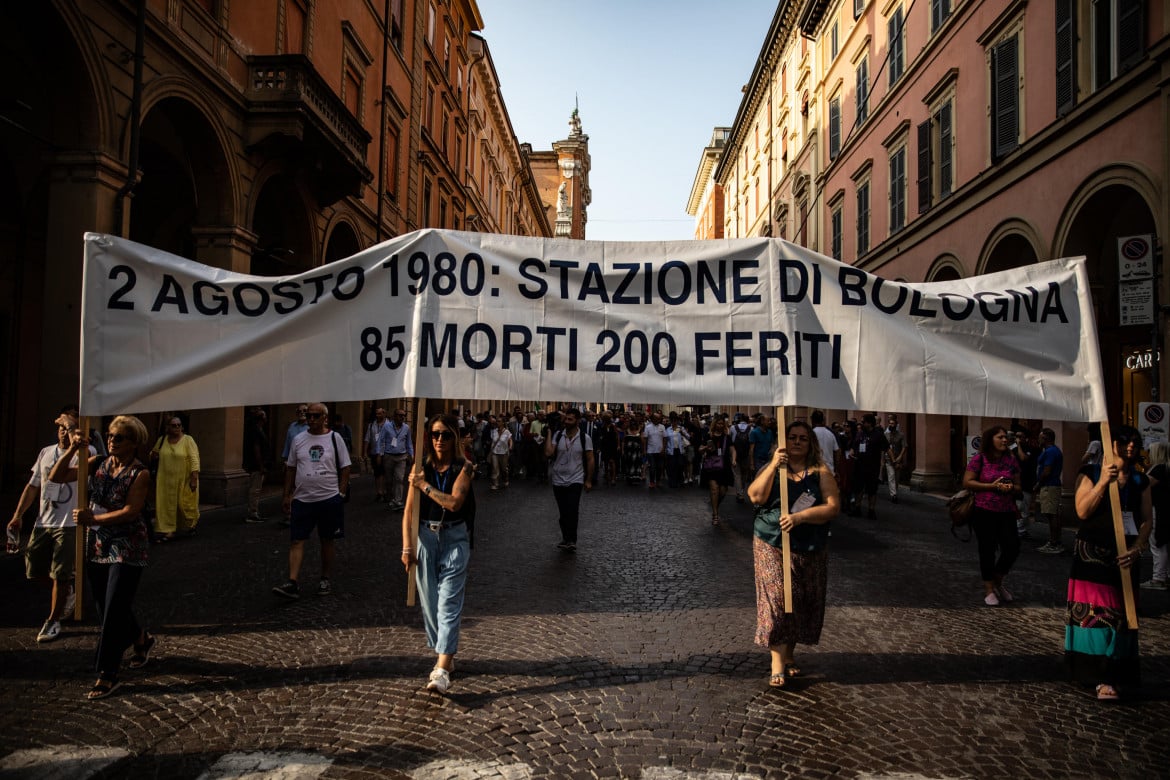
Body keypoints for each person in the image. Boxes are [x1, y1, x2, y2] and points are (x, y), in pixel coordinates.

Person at [64, 415, 154, 700]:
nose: (112, 440)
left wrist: (95, 518)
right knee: (108, 605)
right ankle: (141, 638)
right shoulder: (98, 463)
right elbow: (56, 476)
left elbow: (131, 511)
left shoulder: (139, 473)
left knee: (114, 607)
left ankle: (108, 673)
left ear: (134, 443)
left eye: (119, 437)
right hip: (99, 543)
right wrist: (71, 448)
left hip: (128, 546)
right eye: (110, 435)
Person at [747, 420, 840, 689]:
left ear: (811, 443)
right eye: (792, 437)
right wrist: (775, 464)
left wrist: (801, 517)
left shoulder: (820, 471)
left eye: (803, 438)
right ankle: (777, 662)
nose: (797, 442)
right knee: (777, 598)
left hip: (809, 545)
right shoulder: (774, 468)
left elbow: (833, 507)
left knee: (800, 598)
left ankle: (789, 654)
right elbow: (755, 496)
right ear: (783, 442)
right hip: (770, 541)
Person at [1066, 424, 1151, 701]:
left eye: (1135, 441)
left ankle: (1117, 670)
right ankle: (1098, 674)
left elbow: (1146, 519)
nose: (1130, 446)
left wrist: (1139, 547)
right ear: (1111, 443)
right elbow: (1081, 510)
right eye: (1125, 441)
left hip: (1126, 555)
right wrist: (1103, 481)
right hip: (1093, 554)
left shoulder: (1141, 481)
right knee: (1098, 614)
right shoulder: (1089, 473)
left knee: (1124, 615)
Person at [401, 413, 475, 694]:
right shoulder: (420, 467)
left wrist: (424, 486)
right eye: (434, 434)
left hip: (455, 537)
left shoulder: (464, 467)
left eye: (445, 434)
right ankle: (445, 650)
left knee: (448, 604)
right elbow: (408, 512)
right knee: (430, 603)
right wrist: (407, 547)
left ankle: (442, 669)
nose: (439, 439)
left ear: (454, 438)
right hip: (425, 538)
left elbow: (455, 502)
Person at [7, 413, 94, 643]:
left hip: (69, 523)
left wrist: (71, 427)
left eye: (69, 428)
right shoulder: (46, 453)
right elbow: (33, 486)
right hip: (43, 521)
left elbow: (79, 437)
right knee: (33, 570)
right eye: (61, 429)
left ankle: (53, 619)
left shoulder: (86, 451)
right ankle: (69, 592)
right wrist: (18, 516)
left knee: (60, 574)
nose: (65, 432)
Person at [272, 403, 350, 600]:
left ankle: (325, 578)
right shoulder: (298, 439)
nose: (311, 419)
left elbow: (346, 466)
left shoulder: (335, 438)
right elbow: (290, 468)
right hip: (302, 499)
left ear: (325, 418)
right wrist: (286, 494)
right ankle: (292, 582)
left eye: (316, 416)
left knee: (327, 540)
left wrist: (340, 493)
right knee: (296, 540)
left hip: (328, 499)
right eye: (309, 416)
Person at [962, 426, 1022, 606]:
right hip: (983, 511)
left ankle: (997, 579)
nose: (1005, 440)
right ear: (991, 439)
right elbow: (967, 482)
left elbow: (1019, 486)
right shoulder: (980, 459)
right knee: (987, 550)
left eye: (1006, 437)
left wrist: (1010, 488)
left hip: (1007, 511)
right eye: (1001, 437)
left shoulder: (1011, 461)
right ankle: (989, 589)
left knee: (1012, 547)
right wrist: (992, 486)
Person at [544, 407, 594, 552]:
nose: (566, 421)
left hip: (575, 479)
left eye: (570, 419)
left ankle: (571, 540)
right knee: (563, 512)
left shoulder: (585, 438)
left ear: (578, 421)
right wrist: (549, 432)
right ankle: (566, 537)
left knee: (572, 509)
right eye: (566, 418)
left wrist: (589, 480)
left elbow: (590, 459)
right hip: (558, 479)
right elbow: (548, 453)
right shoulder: (558, 435)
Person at [149, 416, 200, 542]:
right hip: (165, 480)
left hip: (184, 480)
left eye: (179, 425)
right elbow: (153, 454)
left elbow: (194, 459)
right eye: (173, 425)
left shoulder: (188, 440)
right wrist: (153, 455)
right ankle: (169, 530)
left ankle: (189, 525)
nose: (177, 427)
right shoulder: (162, 440)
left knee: (184, 506)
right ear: (167, 428)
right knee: (166, 506)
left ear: (182, 427)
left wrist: (194, 478)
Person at [1142, 440, 1170, 591]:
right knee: (1164, 543)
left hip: (1158, 510)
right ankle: (1165, 576)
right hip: (1164, 509)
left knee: (1157, 543)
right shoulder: (1165, 468)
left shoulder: (1159, 469)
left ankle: (1158, 578)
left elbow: (1144, 484)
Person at [699, 416, 736, 525]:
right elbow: (700, 449)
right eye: (718, 423)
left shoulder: (726, 437)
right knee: (714, 489)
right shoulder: (708, 436)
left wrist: (734, 459)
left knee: (723, 491)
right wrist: (706, 448)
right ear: (714, 424)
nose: (720, 426)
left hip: (724, 467)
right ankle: (715, 515)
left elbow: (733, 449)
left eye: (721, 424)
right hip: (711, 467)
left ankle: (714, 505)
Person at [851, 414, 889, 519]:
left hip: (872, 466)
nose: (862, 424)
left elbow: (887, 448)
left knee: (872, 489)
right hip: (859, 465)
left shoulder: (878, 435)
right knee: (858, 488)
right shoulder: (860, 434)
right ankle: (857, 508)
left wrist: (893, 461)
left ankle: (871, 510)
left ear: (870, 423)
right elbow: (854, 445)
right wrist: (852, 451)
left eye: (863, 422)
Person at [1035, 428, 1066, 554]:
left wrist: (1038, 484)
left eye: (1040, 437)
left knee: (1052, 514)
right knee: (1052, 514)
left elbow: (1047, 471)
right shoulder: (1051, 451)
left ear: (1045, 438)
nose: (1038, 439)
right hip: (1051, 485)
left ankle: (1054, 543)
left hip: (1049, 485)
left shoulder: (1051, 452)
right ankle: (1055, 541)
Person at [381, 408, 414, 510]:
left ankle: (398, 500)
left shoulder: (406, 428)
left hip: (401, 457)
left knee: (399, 478)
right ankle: (390, 498)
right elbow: (381, 441)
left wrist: (411, 454)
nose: (402, 417)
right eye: (400, 415)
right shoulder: (386, 426)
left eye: (404, 415)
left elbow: (409, 442)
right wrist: (379, 454)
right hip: (389, 456)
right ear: (395, 416)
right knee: (389, 479)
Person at [242, 407, 269, 523]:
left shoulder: (257, 429)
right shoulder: (256, 431)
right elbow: (256, 449)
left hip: (255, 464)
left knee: (255, 488)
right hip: (256, 465)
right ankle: (252, 513)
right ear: (261, 418)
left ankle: (253, 512)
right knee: (255, 489)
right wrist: (261, 465)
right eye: (265, 416)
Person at [364, 407, 389, 502]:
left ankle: (385, 491)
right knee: (377, 473)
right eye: (377, 414)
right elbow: (367, 439)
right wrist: (365, 452)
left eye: (380, 414)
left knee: (385, 473)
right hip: (375, 452)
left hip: (386, 453)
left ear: (384, 414)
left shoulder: (389, 425)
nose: (378, 415)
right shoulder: (371, 425)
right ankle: (379, 492)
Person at [883, 414, 906, 504]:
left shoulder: (901, 435)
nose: (891, 425)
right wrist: (882, 459)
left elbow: (904, 447)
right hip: (888, 459)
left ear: (896, 425)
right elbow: (884, 447)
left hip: (898, 459)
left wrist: (900, 456)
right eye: (890, 423)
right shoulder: (886, 435)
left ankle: (895, 491)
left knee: (897, 478)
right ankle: (893, 495)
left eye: (893, 424)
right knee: (891, 476)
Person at [811, 411, 840, 477]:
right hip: (830, 470)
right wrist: (836, 469)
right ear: (823, 420)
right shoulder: (831, 434)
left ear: (812, 420)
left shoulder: (811, 433)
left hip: (815, 471)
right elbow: (837, 452)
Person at [664, 415, 690, 488]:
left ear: (677, 421)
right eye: (672, 421)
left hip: (679, 450)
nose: (674, 422)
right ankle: (672, 482)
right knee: (672, 467)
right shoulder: (668, 429)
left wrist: (683, 433)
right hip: (671, 450)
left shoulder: (680, 428)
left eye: (675, 421)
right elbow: (666, 440)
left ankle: (680, 481)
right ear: (671, 421)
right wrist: (665, 450)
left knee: (680, 465)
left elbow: (688, 437)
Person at [641, 412, 666, 489]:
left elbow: (665, 438)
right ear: (652, 419)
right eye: (657, 418)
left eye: (659, 418)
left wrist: (663, 448)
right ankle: (652, 482)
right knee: (652, 467)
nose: (658, 420)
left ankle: (658, 481)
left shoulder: (662, 427)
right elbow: (645, 439)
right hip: (651, 451)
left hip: (660, 451)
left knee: (660, 467)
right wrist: (644, 450)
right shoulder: (648, 427)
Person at [732, 414, 753, 502]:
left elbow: (731, 440)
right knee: (744, 475)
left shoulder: (733, 428)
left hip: (735, 454)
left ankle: (739, 493)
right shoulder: (751, 429)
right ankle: (742, 490)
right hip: (746, 455)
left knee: (737, 475)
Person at [489, 416, 512, 492]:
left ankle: (505, 479)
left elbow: (510, 440)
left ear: (503, 422)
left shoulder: (507, 431)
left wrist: (510, 446)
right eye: (497, 421)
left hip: (504, 452)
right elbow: (492, 441)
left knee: (504, 469)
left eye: (499, 421)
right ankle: (495, 484)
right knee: (495, 468)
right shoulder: (494, 431)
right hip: (495, 452)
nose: (497, 422)